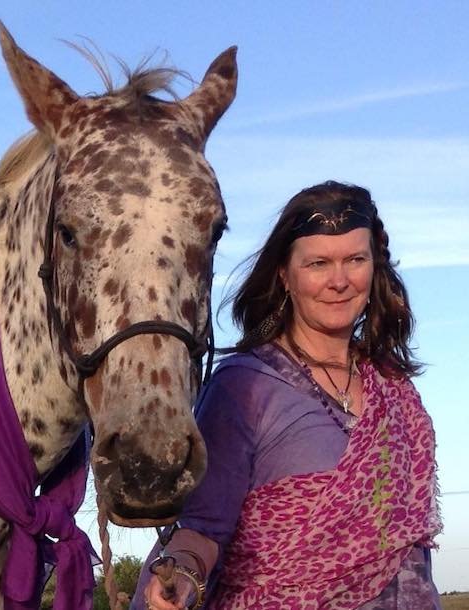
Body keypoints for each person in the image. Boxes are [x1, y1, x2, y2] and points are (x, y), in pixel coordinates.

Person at [131, 181, 442, 610]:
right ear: (285, 275)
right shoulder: (245, 385)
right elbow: (202, 525)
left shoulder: (395, 390)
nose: (338, 280)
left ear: (375, 268)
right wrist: (183, 573)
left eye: (355, 259)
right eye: (317, 263)